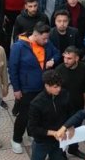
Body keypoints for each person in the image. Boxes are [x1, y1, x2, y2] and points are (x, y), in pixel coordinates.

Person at [15, 71, 70, 160]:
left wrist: (69, 127)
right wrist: (54, 133)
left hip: (58, 142)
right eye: (55, 87)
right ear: (47, 86)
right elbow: (33, 129)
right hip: (42, 142)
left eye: (59, 86)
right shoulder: (37, 103)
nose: (58, 89)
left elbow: (69, 113)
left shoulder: (64, 94)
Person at [8, 24, 61, 153]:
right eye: (44, 38)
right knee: (24, 115)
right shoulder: (19, 46)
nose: (46, 41)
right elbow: (13, 69)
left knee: (38, 113)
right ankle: (16, 139)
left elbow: (58, 53)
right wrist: (16, 89)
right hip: (26, 88)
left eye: (47, 38)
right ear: (35, 35)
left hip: (42, 87)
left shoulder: (46, 44)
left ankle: (31, 133)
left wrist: (53, 60)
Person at [55, 46, 85, 159]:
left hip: (78, 105)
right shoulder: (59, 70)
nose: (66, 61)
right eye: (65, 57)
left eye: (69, 58)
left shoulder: (84, 68)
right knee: (64, 130)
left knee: (76, 128)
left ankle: (74, 149)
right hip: (63, 107)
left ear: (77, 58)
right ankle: (62, 154)